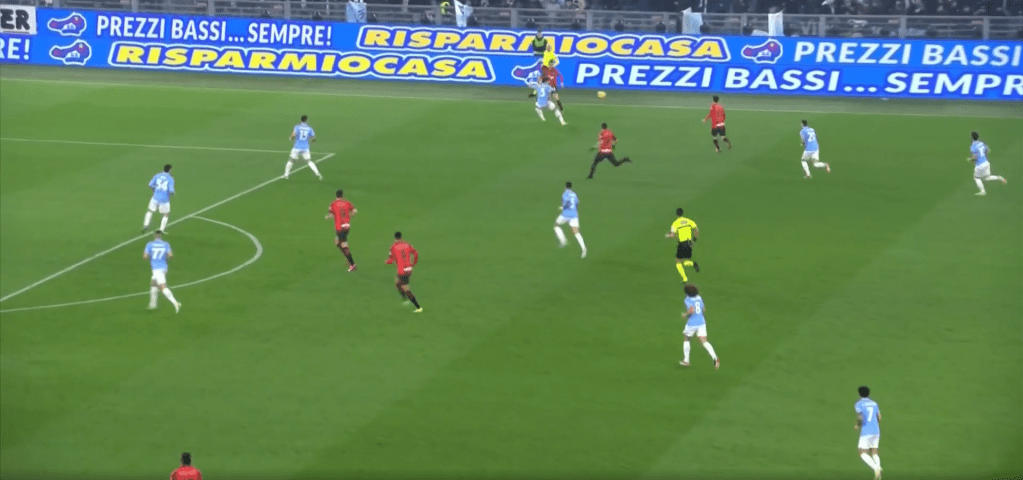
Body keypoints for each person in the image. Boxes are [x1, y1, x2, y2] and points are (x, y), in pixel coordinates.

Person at [679, 284, 719, 369]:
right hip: (701, 322)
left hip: (692, 323)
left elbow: (691, 310)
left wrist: (685, 315)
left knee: (686, 338)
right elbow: (703, 309)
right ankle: (715, 357)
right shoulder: (699, 298)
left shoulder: (687, 300)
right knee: (704, 340)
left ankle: (686, 360)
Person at [144, 230, 181, 313]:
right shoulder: (166, 244)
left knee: (163, 287)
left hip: (157, 269)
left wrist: (151, 257)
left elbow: (145, 256)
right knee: (153, 284)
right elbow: (170, 255)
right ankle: (153, 305)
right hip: (164, 267)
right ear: (161, 235)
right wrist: (165, 259)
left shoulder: (150, 244)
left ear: (154, 235)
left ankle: (175, 303)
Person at [386, 231, 422, 313]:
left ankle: (418, 307)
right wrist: (414, 263)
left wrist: (387, 262)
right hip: (409, 269)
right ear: (401, 237)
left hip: (402, 271)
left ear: (395, 238)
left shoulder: (393, 247)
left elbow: (390, 260)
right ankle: (404, 298)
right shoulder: (407, 244)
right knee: (397, 282)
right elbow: (416, 253)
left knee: (406, 288)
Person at [854, 386, 883, 480]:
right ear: (868, 393)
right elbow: (879, 417)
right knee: (874, 451)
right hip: (876, 430)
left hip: (866, 431)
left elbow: (860, 417)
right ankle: (878, 472)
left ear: (859, 394)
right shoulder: (874, 403)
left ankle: (876, 468)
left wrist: (857, 425)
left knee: (862, 452)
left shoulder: (859, 404)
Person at [326, 189, 358, 271]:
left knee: (343, 245)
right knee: (337, 243)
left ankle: (352, 264)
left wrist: (328, 217)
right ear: (342, 195)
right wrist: (349, 217)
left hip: (340, 228)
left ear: (336, 195)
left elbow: (330, 215)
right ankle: (348, 257)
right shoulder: (347, 202)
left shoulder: (333, 204)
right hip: (347, 226)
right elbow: (355, 211)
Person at [967, 131, 1007, 196]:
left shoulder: (973, 146)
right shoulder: (981, 143)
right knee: (986, 178)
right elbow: (988, 150)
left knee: (976, 178)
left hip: (980, 165)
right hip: (986, 163)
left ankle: (982, 191)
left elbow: (975, 157)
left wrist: (970, 159)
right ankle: (1000, 178)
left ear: (972, 138)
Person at [665, 208, 699, 282]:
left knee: (678, 261)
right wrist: (694, 240)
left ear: (676, 214)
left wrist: (668, 236)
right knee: (686, 261)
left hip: (682, 243)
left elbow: (673, 235)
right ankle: (693, 264)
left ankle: (685, 278)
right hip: (689, 243)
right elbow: (696, 230)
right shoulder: (689, 221)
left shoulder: (675, 223)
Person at [554, 181, 587, 258]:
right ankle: (583, 248)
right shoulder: (574, 194)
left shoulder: (565, 194)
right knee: (576, 231)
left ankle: (563, 241)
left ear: (565, 187)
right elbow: (577, 203)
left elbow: (565, 204)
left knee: (556, 225)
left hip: (566, 214)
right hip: (574, 214)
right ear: (571, 187)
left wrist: (562, 207)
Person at [284, 115, 322, 180]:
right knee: (309, 161)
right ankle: (317, 173)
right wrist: (312, 142)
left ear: (301, 120)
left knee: (291, 160)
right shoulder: (309, 128)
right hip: (305, 147)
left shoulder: (297, 127)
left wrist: (291, 138)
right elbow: (314, 137)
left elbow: (293, 134)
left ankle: (286, 175)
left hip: (297, 147)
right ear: (306, 120)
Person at [142, 164, 175, 234]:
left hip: (155, 198)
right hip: (164, 200)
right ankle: (161, 229)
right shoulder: (170, 178)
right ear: (170, 170)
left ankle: (146, 224)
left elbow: (150, 185)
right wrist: (172, 193)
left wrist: (155, 190)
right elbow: (171, 190)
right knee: (165, 214)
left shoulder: (157, 175)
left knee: (150, 211)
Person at [542, 44, 565, 111]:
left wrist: (562, 83)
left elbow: (560, 76)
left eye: (552, 64)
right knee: (548, 98)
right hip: (548, 86)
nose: (551, 66)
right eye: (550, 65)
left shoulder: (555, 70)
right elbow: (543, 78)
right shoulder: (546, 71)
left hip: (553, 86)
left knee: (556, 98)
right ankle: (548, 107)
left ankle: (561, 107)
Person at [528, 29, 548, 97]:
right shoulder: (534, 40)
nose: (539, 35)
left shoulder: (544, 40)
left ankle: (542, 91)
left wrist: (538, 49)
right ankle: (536, 92)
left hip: (542, 56)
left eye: (540, 34)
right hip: (536, 56)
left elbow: (543, 48)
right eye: (538, 34)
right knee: (539, 78)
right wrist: (538, 49)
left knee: (543, 77)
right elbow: (535, 48)